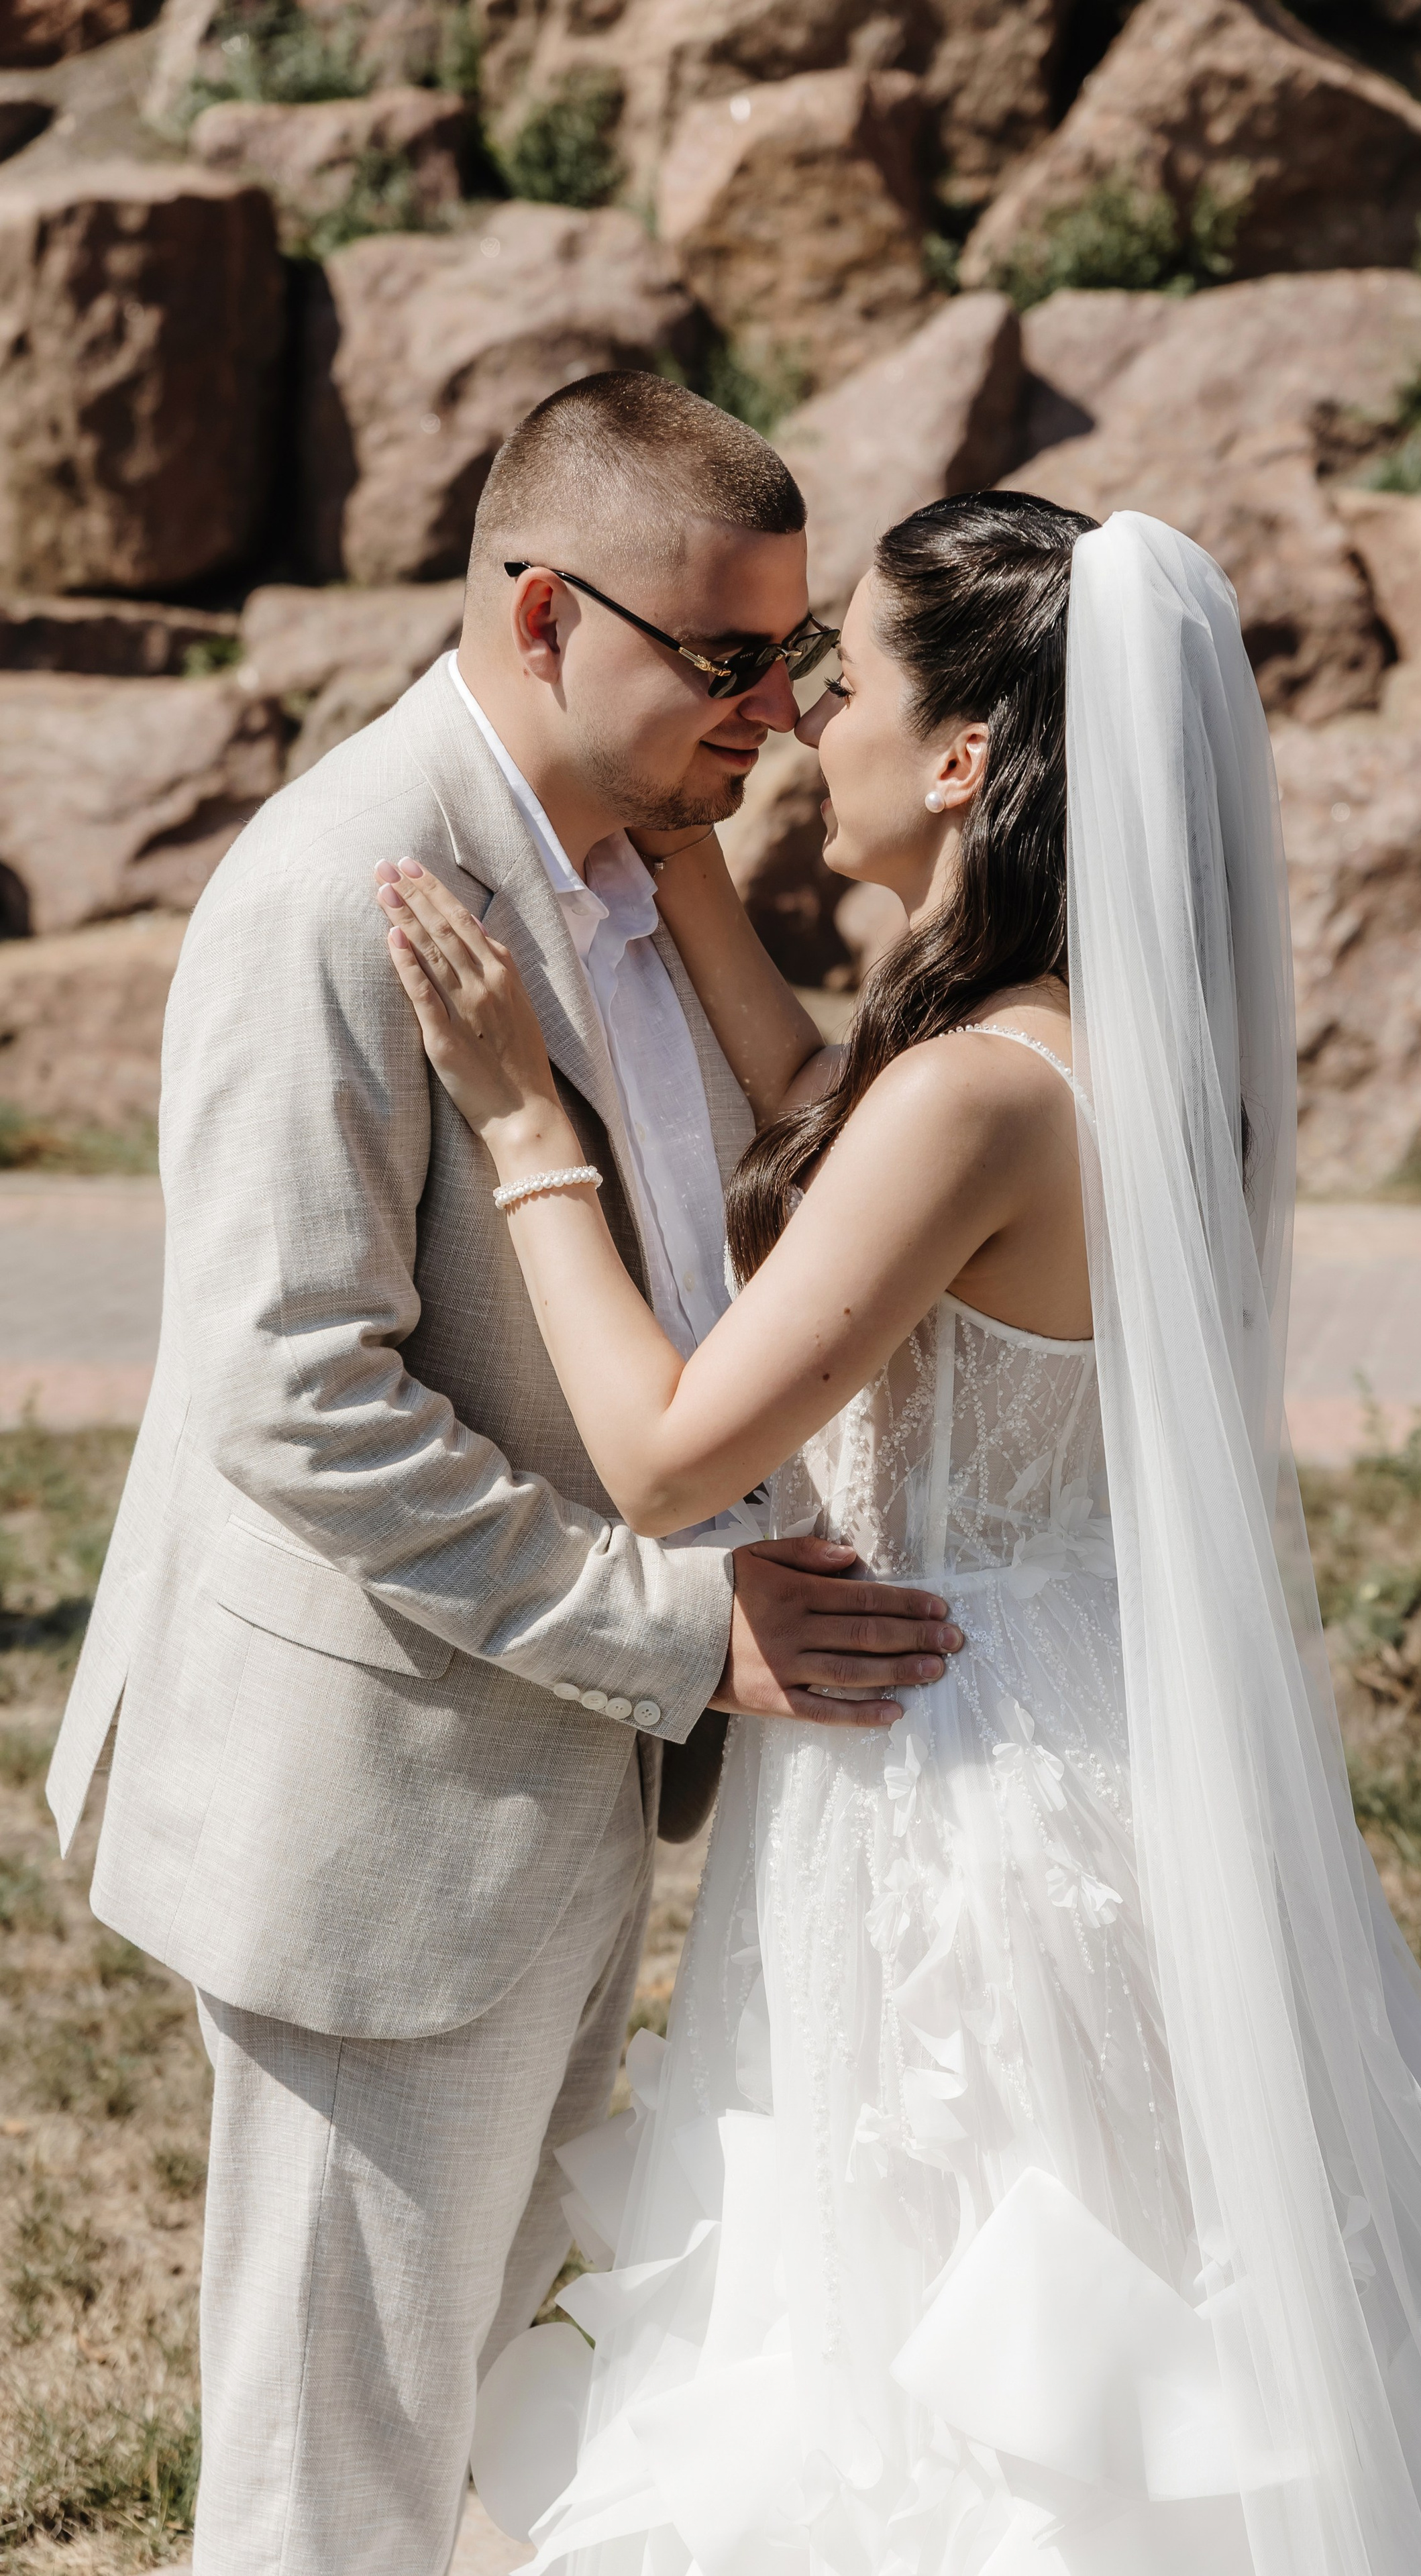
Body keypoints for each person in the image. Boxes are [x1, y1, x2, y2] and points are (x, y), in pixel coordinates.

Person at [379, 490, 1421, 2575]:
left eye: (849, 679)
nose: (804, 718)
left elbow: (661, 1460)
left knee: (965, 2385)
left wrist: (523, 1129)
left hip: (955, 1772)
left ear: (965, 761)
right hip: (1102, 1732)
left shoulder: (977, 1099)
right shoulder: (1092, 1044)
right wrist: (704, 893)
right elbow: (861, 1149)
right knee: (1161, 2352)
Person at [44, 372, 964, 2576]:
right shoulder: (331, 900)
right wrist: (682, 1629)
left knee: (527, 2404)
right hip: (365, 1821)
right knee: (330, 2483)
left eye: (794, 651)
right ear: (548, 614)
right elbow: (292, 1395)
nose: (771, 709)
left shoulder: (641, 872)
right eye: (725, 659)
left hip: (544, 1790)